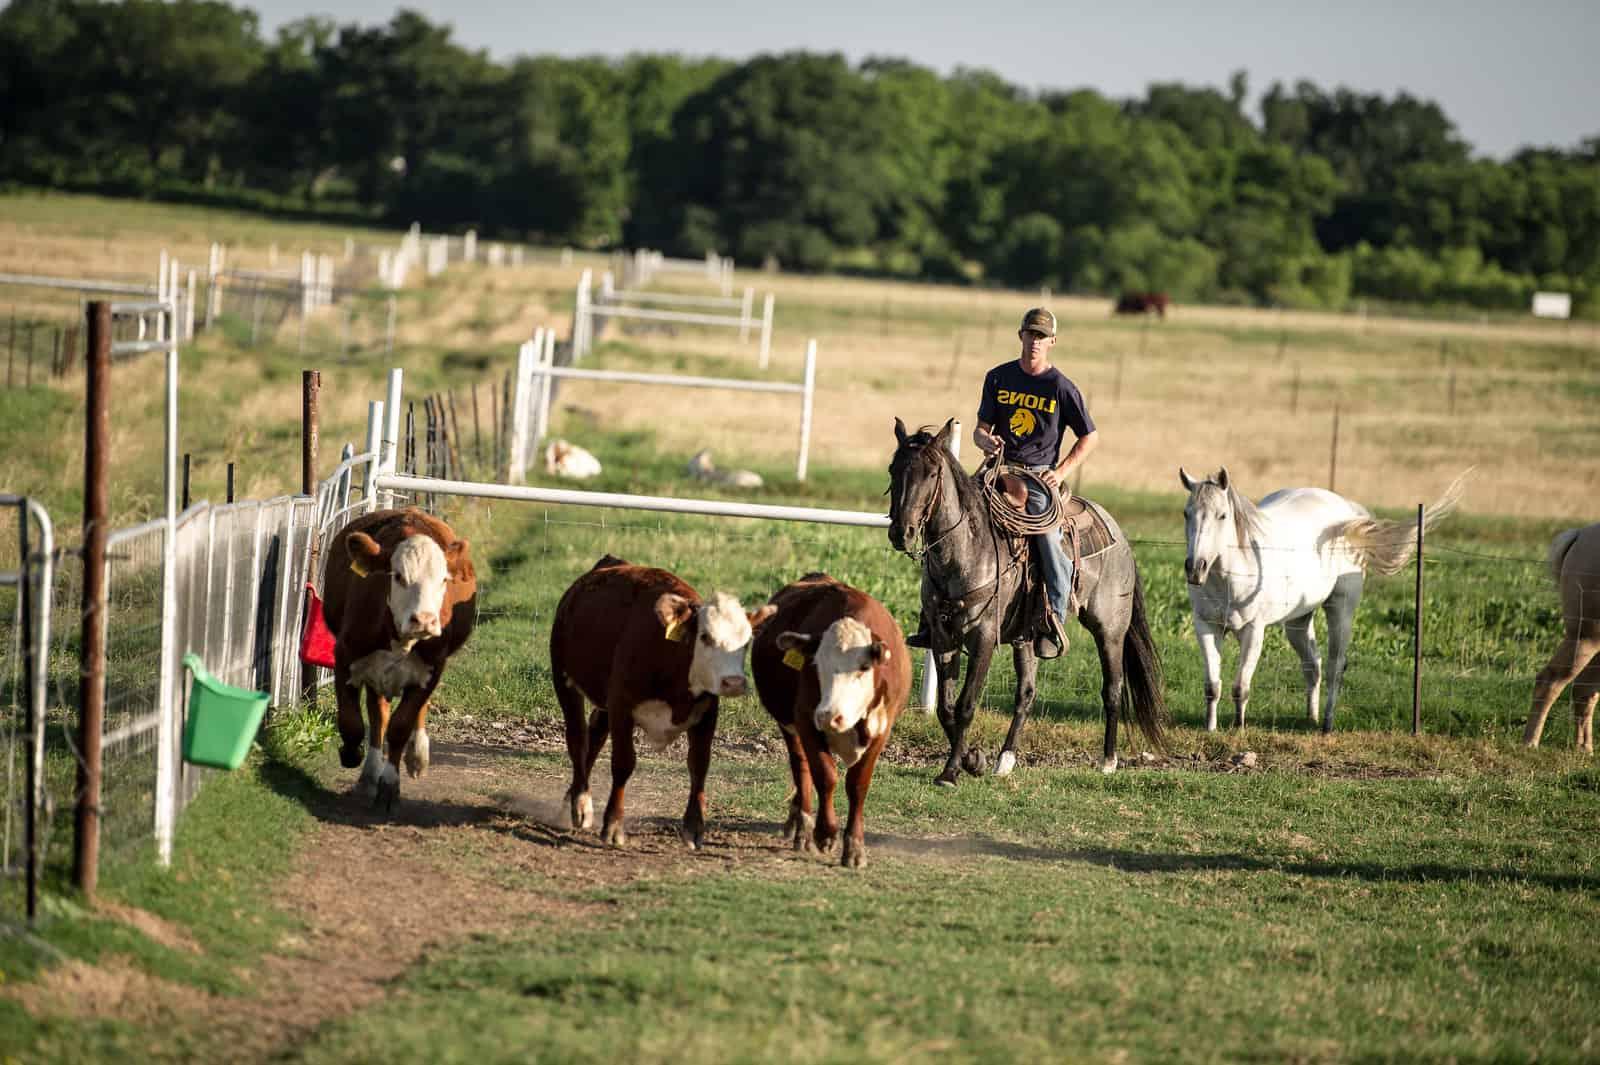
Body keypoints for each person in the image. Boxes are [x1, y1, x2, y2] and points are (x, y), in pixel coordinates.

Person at [908, 307, 1098, 659]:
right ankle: (930, 616)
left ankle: (1053, 618)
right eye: (1030, 334)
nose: (1035, 342)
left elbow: (1089, 437)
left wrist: (1061, 471)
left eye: (1042, 336)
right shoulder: (998, 377)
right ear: (1020, 336)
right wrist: (983, 441)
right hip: (996, 469)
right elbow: (982, 428)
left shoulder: (1061, 388)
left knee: (1047, 540)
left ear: (1052, 342)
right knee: (950, 522)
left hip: (1039, 477)